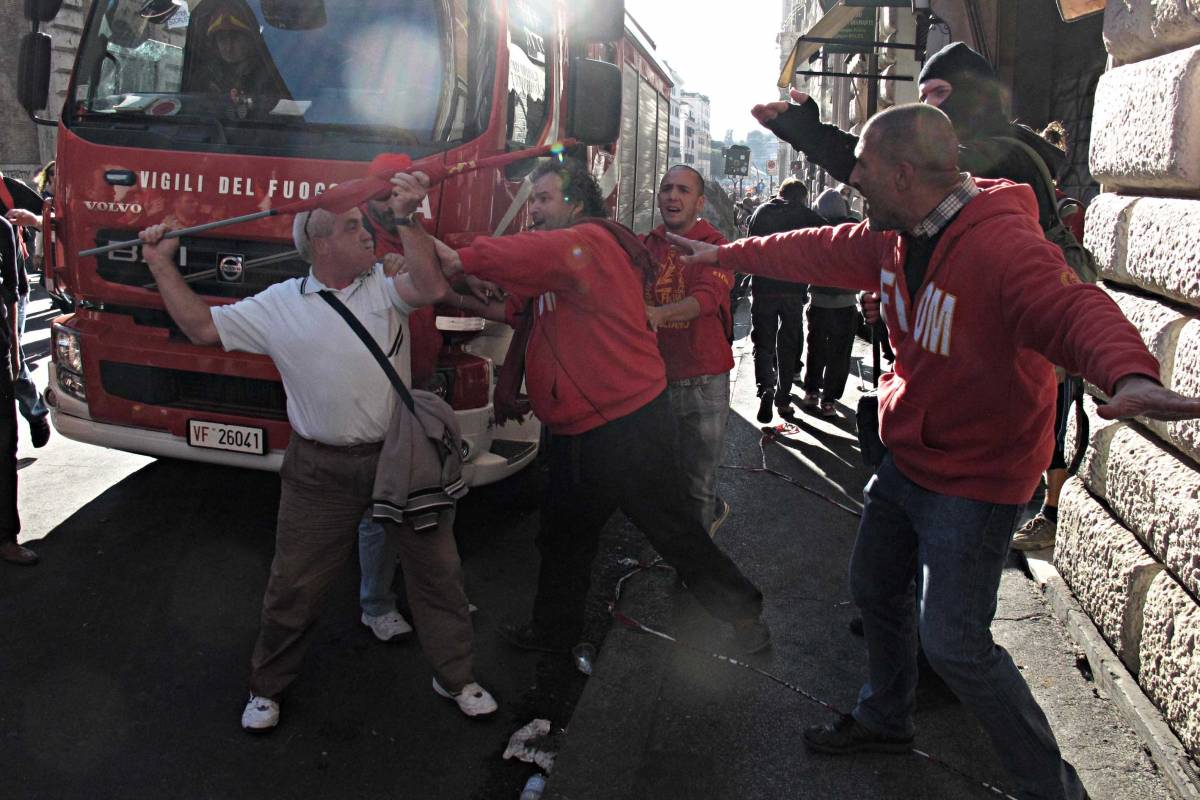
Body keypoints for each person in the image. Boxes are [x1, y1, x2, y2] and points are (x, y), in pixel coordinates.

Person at [671, 102, 1200, 800]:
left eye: (863, 166)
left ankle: (1054, 789)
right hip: (910, 460)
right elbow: (817, 247)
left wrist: (1128, 371)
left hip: (980, 478)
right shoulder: (896, 234)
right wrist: (724, 254)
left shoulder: (1001, 246)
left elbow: (1071, 308)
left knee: (953, 643)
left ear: (902, 172)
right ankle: (886, 716)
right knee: (875, 587)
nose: (852, 177)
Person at [137, 171, 497, 732]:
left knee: (438, 575)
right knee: (294, 586)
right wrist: (162, 263)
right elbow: (202, 327)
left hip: (397, 460)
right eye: (354, 227)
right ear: (321, 242)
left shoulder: (385, 286)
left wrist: (408, 219)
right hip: (318, 471)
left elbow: (428, 288)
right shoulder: (279, 304)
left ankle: (455, 677)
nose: (367, 237)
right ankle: (266, 687)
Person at [434, 158, 769, 656]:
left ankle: (744, 613)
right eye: (532, 201)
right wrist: (457, 292)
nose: (534, 212)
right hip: (581, 428)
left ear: (573, 203)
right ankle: (552, 645)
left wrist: (460, 258)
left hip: (628, 426)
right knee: (564, 541)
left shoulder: (588, 243)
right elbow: (518, 305)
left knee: (673, 529)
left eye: (543, 200)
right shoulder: (571, 257)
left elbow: (520, 255)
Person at [643, 165, 734, 535]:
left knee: (698, 482)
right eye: (666, 188)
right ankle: (704, 517)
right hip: (656, 381)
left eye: (682, 190)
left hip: (704, 381)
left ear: (699, 202)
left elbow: (707, 300)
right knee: (668, 477)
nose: (672, 196)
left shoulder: (715, 246)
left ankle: (698, 572)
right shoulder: (644, 246)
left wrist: (658, 314)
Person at [746, 178, 824, 424]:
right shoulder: (805, 214)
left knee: (763, 342)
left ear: (779, 193)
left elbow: (748, 247)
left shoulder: (761, 212)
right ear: (801, 197)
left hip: (763, 289)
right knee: (788, 344)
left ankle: (765, 388)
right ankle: (782, 397)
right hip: (792, 289)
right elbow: (827, 236)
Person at [0, 173, 52, 449]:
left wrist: (33, 220)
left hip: (13, 291)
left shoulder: (8, 188)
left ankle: (34, 412)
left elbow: (52, 217)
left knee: (11, 355)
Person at [800, 189, 859, 417]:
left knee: (815, 349)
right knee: (840, 354)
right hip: (847, 303)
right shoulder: (855, 231)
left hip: (819, 302)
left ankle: (812, 392)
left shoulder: (817, 232)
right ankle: (829, 401)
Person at [0, 215, 31, 566]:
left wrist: (14, 353)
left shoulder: (2, 230)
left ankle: (6, 538)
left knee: (4, 446)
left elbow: (13, 292)